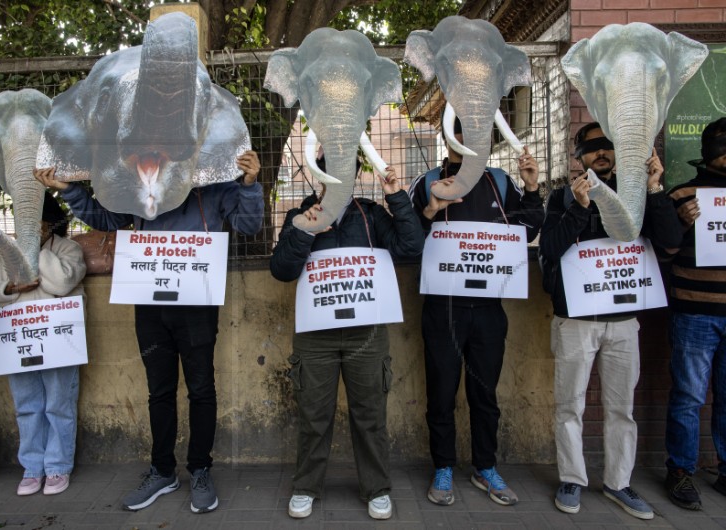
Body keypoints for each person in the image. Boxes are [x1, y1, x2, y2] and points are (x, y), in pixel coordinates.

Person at [34, 150, 262, 513]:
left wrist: (249, 184)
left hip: (197, 306)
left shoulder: (216, 186)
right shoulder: (141, 187)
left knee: (202, 389)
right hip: (150, 305)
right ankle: (162, 471)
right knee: (159, 391)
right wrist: (68, 189)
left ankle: (201, 470)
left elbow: (249, 225)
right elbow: (103, 218)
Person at [539, 122, 682, 520]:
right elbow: (549, 249)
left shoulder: (635, 195)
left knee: (622, 406)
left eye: (608, 147)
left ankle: (619, 483)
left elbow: (670, 241)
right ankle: (572, 478)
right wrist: (578, 209)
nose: (601, 154)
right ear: (579, 156)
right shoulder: (562, 198)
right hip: (576, 321)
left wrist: (654, 189)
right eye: (592, 148)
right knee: (570, 404)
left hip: (623, 321)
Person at [270, 157, 424, 520]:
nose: (341, 179)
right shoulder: (301, 214)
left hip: (367, 334)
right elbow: (281, 269)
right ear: (319, 175)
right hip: (315, 337)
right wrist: (305, 233)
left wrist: (397, 197)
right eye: (332, 172)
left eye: (348, 172)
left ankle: (377, 489)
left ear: (356, 176)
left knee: (370, 414)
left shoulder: (370, 214)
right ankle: (306, 487)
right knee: (314, 415)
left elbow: (411, 247)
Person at [408, 118, 542, 507]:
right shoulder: (429, 180)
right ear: (449, 137)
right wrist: (432, 210)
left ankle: (485, 467)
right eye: (460, 131)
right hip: (442, 310)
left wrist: (532, 188)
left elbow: (530, 229)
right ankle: (444, 469)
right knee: (441, 394)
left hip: (488, 310)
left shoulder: (500, 181)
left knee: (485, 394)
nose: (467, 139)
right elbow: (407, 238)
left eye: (476, 132)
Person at [0, 191, 86, 496]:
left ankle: (58, 466)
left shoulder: (68, 249)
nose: (28, 226)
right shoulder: (3, 256)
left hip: (58, 345)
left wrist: (34, 249)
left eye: (35, 221)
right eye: (23, 221)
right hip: (20, 345)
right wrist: (9, 287)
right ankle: (33, 467)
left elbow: (61, 283)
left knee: (59, 404)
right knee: (27, 406)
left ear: (49, 223)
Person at [663, 117, 726, 511]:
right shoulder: (683, 194)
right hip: (695, 313)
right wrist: (680, 225)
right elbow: (665, 250)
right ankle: (681, 470)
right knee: (688, 395)